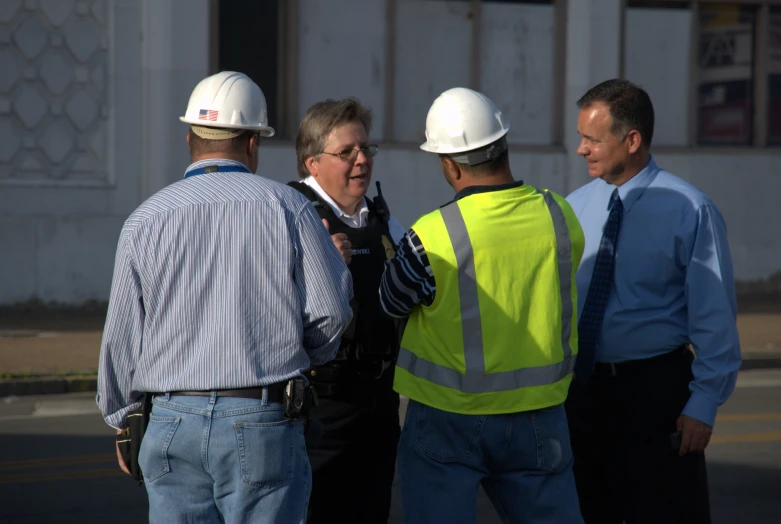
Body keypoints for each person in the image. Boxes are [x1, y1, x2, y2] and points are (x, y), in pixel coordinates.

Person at [96, 71, 353, 524]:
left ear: (189, 136)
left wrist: (124, 416)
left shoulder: (145, 219)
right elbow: (331, 311)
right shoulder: (287, 207)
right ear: (253, 143)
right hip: (261, 415)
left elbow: (121, 337)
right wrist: (300, 356)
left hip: (170, 419)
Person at [379, 87, 586, 524]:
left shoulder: (432, 234)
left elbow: (390, 301)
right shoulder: (560, 215)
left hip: (448, 419)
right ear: (503, 145)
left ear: (450, 164)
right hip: (540, 416)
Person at [565, 78, 742, 523]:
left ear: (632, 139)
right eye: (580, 138)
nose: (581, 149)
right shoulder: (573, 208)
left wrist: (702, 405)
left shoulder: (690, 210)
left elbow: (715, 318)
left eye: (592, 139)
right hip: (582, 396)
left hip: (655, 397)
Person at [287, 97, 406, 524]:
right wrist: (315, 264)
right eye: (347, 153)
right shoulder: (289, 214)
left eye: (365, 149)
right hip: (321, 407)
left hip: (379, 402)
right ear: (312, 163)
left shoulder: (381, 219)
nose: (362, 160)